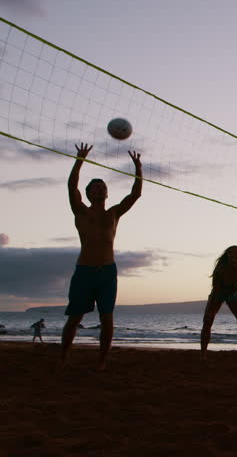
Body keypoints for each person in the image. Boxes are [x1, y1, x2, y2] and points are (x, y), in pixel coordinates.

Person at [60, 143, 142, 371]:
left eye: (102, 187)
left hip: (107, 271)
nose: (98, 190)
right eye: (94, 188)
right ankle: (63, 358)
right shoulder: (81, 211)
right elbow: (71, 186)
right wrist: (79, 160)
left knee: (107, 319)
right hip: (84, 270)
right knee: (74, 319)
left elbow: (135, 194)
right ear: (88, 194)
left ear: (107, 193)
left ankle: (102, 362)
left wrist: (138, 168)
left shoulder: (113, 213)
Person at [201, 245, 237, 360]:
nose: (234, 256)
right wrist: (218, 299)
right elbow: (216, 287)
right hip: (218, 292)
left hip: (234, 294)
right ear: (227, 256)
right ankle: (203, 354)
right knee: (207, 320)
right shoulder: (220, 269)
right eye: (231, 253)